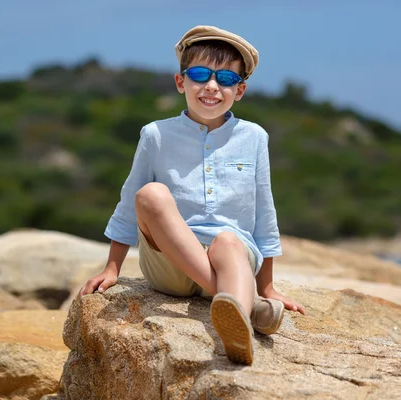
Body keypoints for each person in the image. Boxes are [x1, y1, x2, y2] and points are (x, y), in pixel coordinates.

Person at [79, 25, 305, 365]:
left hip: (232, 258)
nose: (212, 86)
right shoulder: (155, 134)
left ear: (240, 90)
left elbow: (264, 210)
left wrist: (268, 287)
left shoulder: (254, 137)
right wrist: (112, 268)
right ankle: (248, 307)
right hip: (170, 264)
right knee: (151, 194)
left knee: (229, 241)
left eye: (226, 79)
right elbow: (130, 203)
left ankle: (238, 327)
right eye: (200, 74)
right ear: (181, 81)